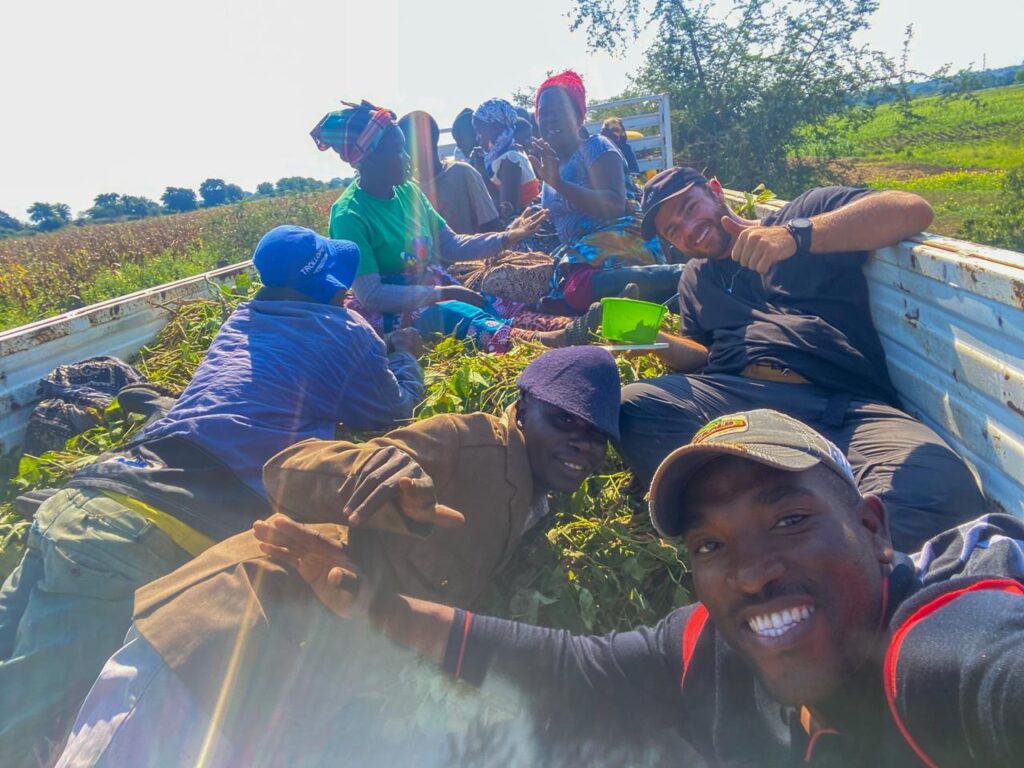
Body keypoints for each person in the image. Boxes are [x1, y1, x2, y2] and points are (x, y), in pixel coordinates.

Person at [255, 410, 1024, 767]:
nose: (750, 571)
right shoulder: (708, 645)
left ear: (874, 528)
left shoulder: (942, 646)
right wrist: (375, 607)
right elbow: (572, 670)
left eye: (789, 521)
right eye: (711, 544)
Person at [56, 347, 622, 767]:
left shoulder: (534, 510)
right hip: (223, 640)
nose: (581, 443)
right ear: (522, 409)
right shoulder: (470, 440)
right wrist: (373, 472)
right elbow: (286, 471)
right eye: (563, 421)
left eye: (596, 435)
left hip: (282, 693)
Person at [0, 225, 424, 766]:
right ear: (327, 288)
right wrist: (405, 355)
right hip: (132, 534)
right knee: (20, 727)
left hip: (87, 495)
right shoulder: (347, 329)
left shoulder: (239, 318)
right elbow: (393, 408)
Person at [616, 166, 984, 552]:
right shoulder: (695, 277)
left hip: (841, 405)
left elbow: (912, 209)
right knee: (635, 406)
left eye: (690, 208)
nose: (689, 230)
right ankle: (780, 522)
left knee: (941, 489)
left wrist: (794, 237)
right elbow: (700, 355)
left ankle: (797, 537)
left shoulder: (802, 213)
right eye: (673, 230)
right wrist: (656, 342)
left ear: (715, 190)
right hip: (740, 402)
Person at [311, 100, 569, 353]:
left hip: (429, 285)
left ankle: (562, 327)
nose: (408, 158)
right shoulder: (349, 214)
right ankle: (540, 341)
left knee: (494, 304)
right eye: (398, 151)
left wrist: (508, 237)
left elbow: (450, 244)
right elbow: (372, 295)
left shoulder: (408, 191)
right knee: (454, 313)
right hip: (391, 309)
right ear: (369, 159)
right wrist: (442, 293)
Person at [529, 71, 682, 313]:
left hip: (622, 239)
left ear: (578, 116)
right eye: (544, 112)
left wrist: (559, 184)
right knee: (543, 284)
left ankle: (680, 278)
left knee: (577, 287)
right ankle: (619, 298)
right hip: (582, 253)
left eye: (559, 111)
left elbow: (613, 205)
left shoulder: (595, 146)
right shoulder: (551, 164)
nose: (550, 119)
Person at [398, 110, 502, 235]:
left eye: (403, 147)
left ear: (421, 145)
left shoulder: (462, 173)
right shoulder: (408, 189)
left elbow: (492, 226)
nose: (401, 154)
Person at [470, 98, 541, 219]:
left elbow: (506, 211)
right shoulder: (507, 154)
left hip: (526, 225)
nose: (478, 137)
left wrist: (481, 172)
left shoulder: (510, 159)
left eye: (480, 131)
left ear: (496, 127)